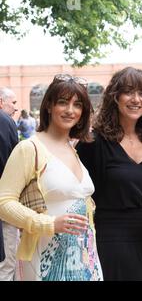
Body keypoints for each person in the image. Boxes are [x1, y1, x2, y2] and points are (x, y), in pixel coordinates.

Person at [0, 74, 103, 280]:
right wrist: (47, 224)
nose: (70, 110)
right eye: (63, 102)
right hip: (44, 258)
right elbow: (3, 201)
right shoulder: (29, 148)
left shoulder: (72, 149)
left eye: (77, 104)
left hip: (84, 256)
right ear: (48, 106)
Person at [76, 67, 142, 281]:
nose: (136, 99)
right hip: (110, 243)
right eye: (129, 92)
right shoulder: (94, 143)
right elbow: (79, 196)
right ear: (115, 97)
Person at [0, 99, 19, 280]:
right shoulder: (6, 122)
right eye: (12, 102)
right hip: (5, 201)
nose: (16, 106)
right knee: (6, 264)